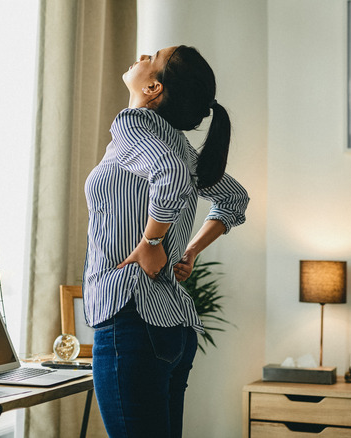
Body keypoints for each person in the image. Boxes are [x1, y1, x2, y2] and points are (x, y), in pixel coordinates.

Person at [83, 45, 249, 438]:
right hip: (171, 327)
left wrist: (153, 242)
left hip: (131, 319)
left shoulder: (133, 124)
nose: (141, 55)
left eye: (153, 57)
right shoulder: (175, 144)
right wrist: (188, 251)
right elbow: (233, 198)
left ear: (154, 87)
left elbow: (172, 177)